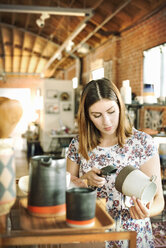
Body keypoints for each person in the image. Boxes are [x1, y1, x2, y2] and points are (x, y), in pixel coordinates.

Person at [67, 78, 164, 248]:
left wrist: (147, 212)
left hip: (133, 237)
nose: (107, 122)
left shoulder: (142, 143)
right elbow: (63, 192)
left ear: (120, 106)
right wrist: (83, 181)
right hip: (92, 236)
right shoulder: (78, 144)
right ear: (87, 116)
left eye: (111, 111)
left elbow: (158, 201)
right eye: (97, 115)